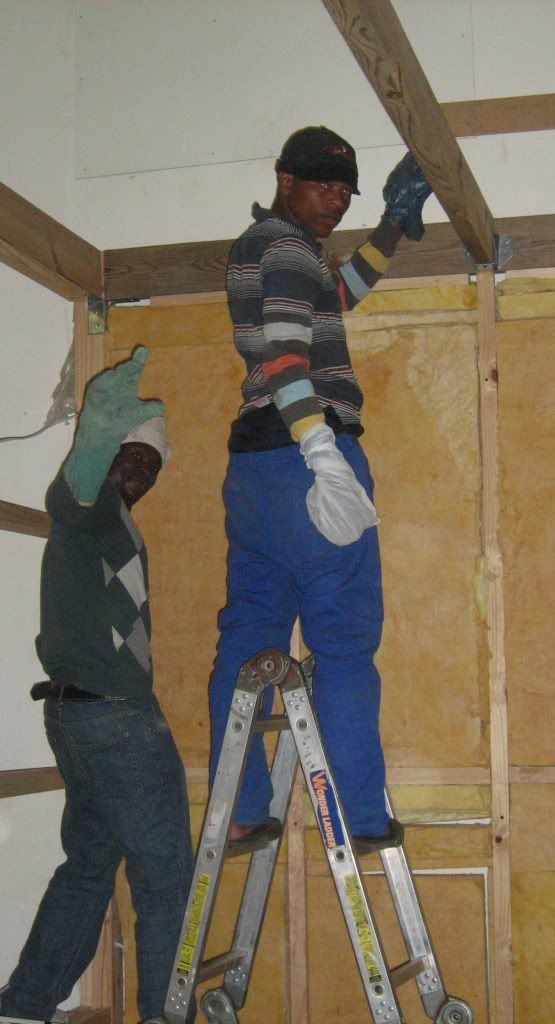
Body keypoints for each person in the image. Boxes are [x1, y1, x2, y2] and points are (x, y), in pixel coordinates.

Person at [208, 126, 432, 852]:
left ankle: (239, 811)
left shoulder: (271, 248)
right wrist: (323, 454)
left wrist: (391, 226)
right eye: (322, 186)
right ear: (285, 180)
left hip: (255, 477)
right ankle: (360, 817)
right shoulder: (286, 246)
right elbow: (284, 355)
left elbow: (336, 296)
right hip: (305, 455)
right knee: (340, 644)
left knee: (249, 638)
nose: (335, 201)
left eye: (344, 192)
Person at [0, 348, 193, 1024]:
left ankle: (25, 1005)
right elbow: (72, 492)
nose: (141, 471)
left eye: (151, 465)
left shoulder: (114, 525)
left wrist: (106, 444)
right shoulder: (93, 510)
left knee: (88, 866)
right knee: (165, 876)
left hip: (78, 720)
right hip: (114, 721)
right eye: (131, 456)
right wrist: (93, 438)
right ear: (108, 454)